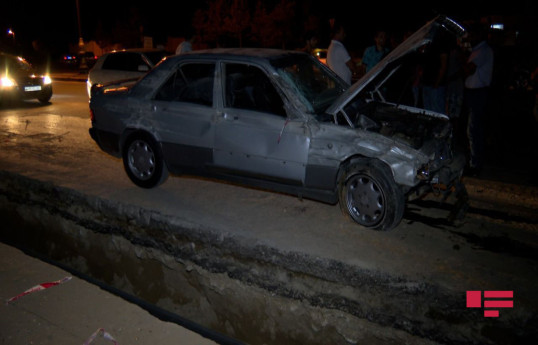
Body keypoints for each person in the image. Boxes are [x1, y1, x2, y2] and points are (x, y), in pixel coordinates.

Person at [462, 22, 494, 176]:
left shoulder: (483, 50)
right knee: (473, 129)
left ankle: (476, 164)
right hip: (474, 93)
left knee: (474, 129)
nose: (469, 37)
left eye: (472, 34)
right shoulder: (477, 50)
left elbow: (469, 69)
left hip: (479, 93)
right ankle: (474, 162)